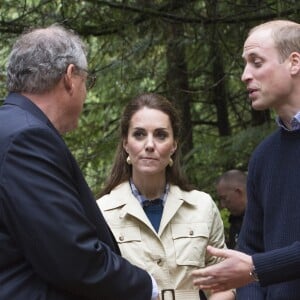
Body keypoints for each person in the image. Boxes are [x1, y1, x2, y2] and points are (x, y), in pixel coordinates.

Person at [0, 24, 159, 300]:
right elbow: (69, 255)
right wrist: (147, 287)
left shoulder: (9, 127)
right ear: (70, 77)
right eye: (88, 81)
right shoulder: (27, 139)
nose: (85, 94)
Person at [192, 19, 300, 299]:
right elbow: (251, 247)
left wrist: (257, 268)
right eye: (244, 64)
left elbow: (252, 264)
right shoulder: (264, 156)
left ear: (294, 62)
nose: (244, 75)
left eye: (256, 62)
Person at [96, 93, 235, 300]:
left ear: (174, 145)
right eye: (139, 134)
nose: (150, 145)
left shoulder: (202, 206)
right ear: (126, 143)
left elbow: (225, 282)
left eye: (161, 135)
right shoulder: (102, 212)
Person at [216, 169, 247, 249]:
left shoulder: (262, 219)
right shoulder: (235, 221)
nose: (223, 205)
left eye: (224, 198)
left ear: (238, 192)